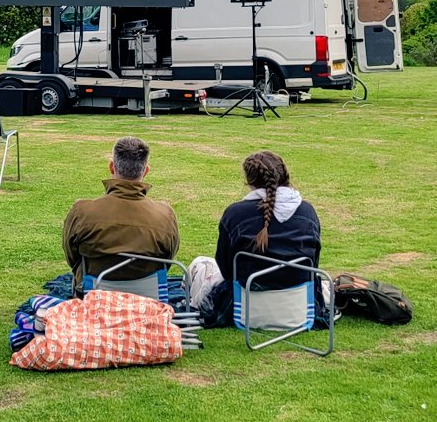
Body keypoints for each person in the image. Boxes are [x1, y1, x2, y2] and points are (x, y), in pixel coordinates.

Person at [191, 151, 325, 326]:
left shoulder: (235, 213)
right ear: (285, 175)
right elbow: (313, 264)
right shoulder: (307, 211)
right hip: (297, 302)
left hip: (246, 302)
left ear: (249, 180)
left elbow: (226, 268)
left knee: (200, 266)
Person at [62, 136, 180, 293]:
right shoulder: (165, 215)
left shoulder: (82, 213)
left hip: (94, 296)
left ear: (112, 167)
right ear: (145, 171)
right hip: (148, 298)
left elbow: (72, 257)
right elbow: (167, 260)